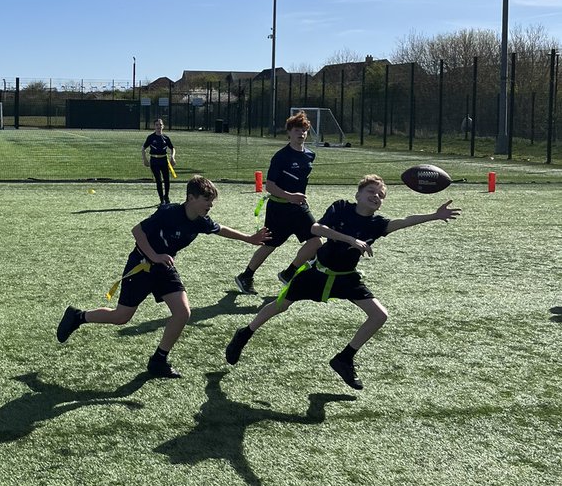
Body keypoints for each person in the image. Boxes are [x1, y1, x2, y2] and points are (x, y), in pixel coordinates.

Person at [225, 175, 461, 390]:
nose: (376, 197)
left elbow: (404, 221)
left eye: (380, 195)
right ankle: (244, 333)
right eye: (371, 191)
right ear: (357, 195)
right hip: (317, 273)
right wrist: (351, 239)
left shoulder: (377, 224)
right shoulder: (341, 207)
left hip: (346, 277)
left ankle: (345, 358)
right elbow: (316, 228)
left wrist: (434, 215)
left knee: (380, 315)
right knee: (280, 305)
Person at [56, 175, 271, 379]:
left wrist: (250, 239)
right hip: (142, 265)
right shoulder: (168, 212)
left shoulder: (201, 220)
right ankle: (78, 316)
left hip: (164, 267)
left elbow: (221, 229)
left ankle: (159, 360)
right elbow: (137, 232)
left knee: (182, 312)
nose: (210, 205)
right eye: (207, 200)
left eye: (212, 201)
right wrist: (155, 256)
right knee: (121, 317)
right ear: (191, 198)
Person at [235, 110, 321, 295]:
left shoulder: (310, 155)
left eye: (304, 130)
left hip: (299, 208)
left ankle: (288, 274)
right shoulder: (281, 157)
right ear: (289, 133)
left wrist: (297, 199)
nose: (301, 133)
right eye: (297, 129)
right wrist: (290, 196)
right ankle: (246, 275)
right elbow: (270, 186)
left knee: (316, 241)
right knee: (270, 245)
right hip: (279, 208)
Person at [142, 118, 176, 205]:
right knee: (158, 180)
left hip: (164, 160)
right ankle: (162, 200)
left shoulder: (166, 138)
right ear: (154, 126)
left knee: (167, 179)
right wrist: (145, 159)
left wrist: (172, 157)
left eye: (160, 125)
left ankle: (166, 197)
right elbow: (143, 148)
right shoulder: (151, 137)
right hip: (154, 161)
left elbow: (172, 148)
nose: (158, 126)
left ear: (163, 126)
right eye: (157, 125)